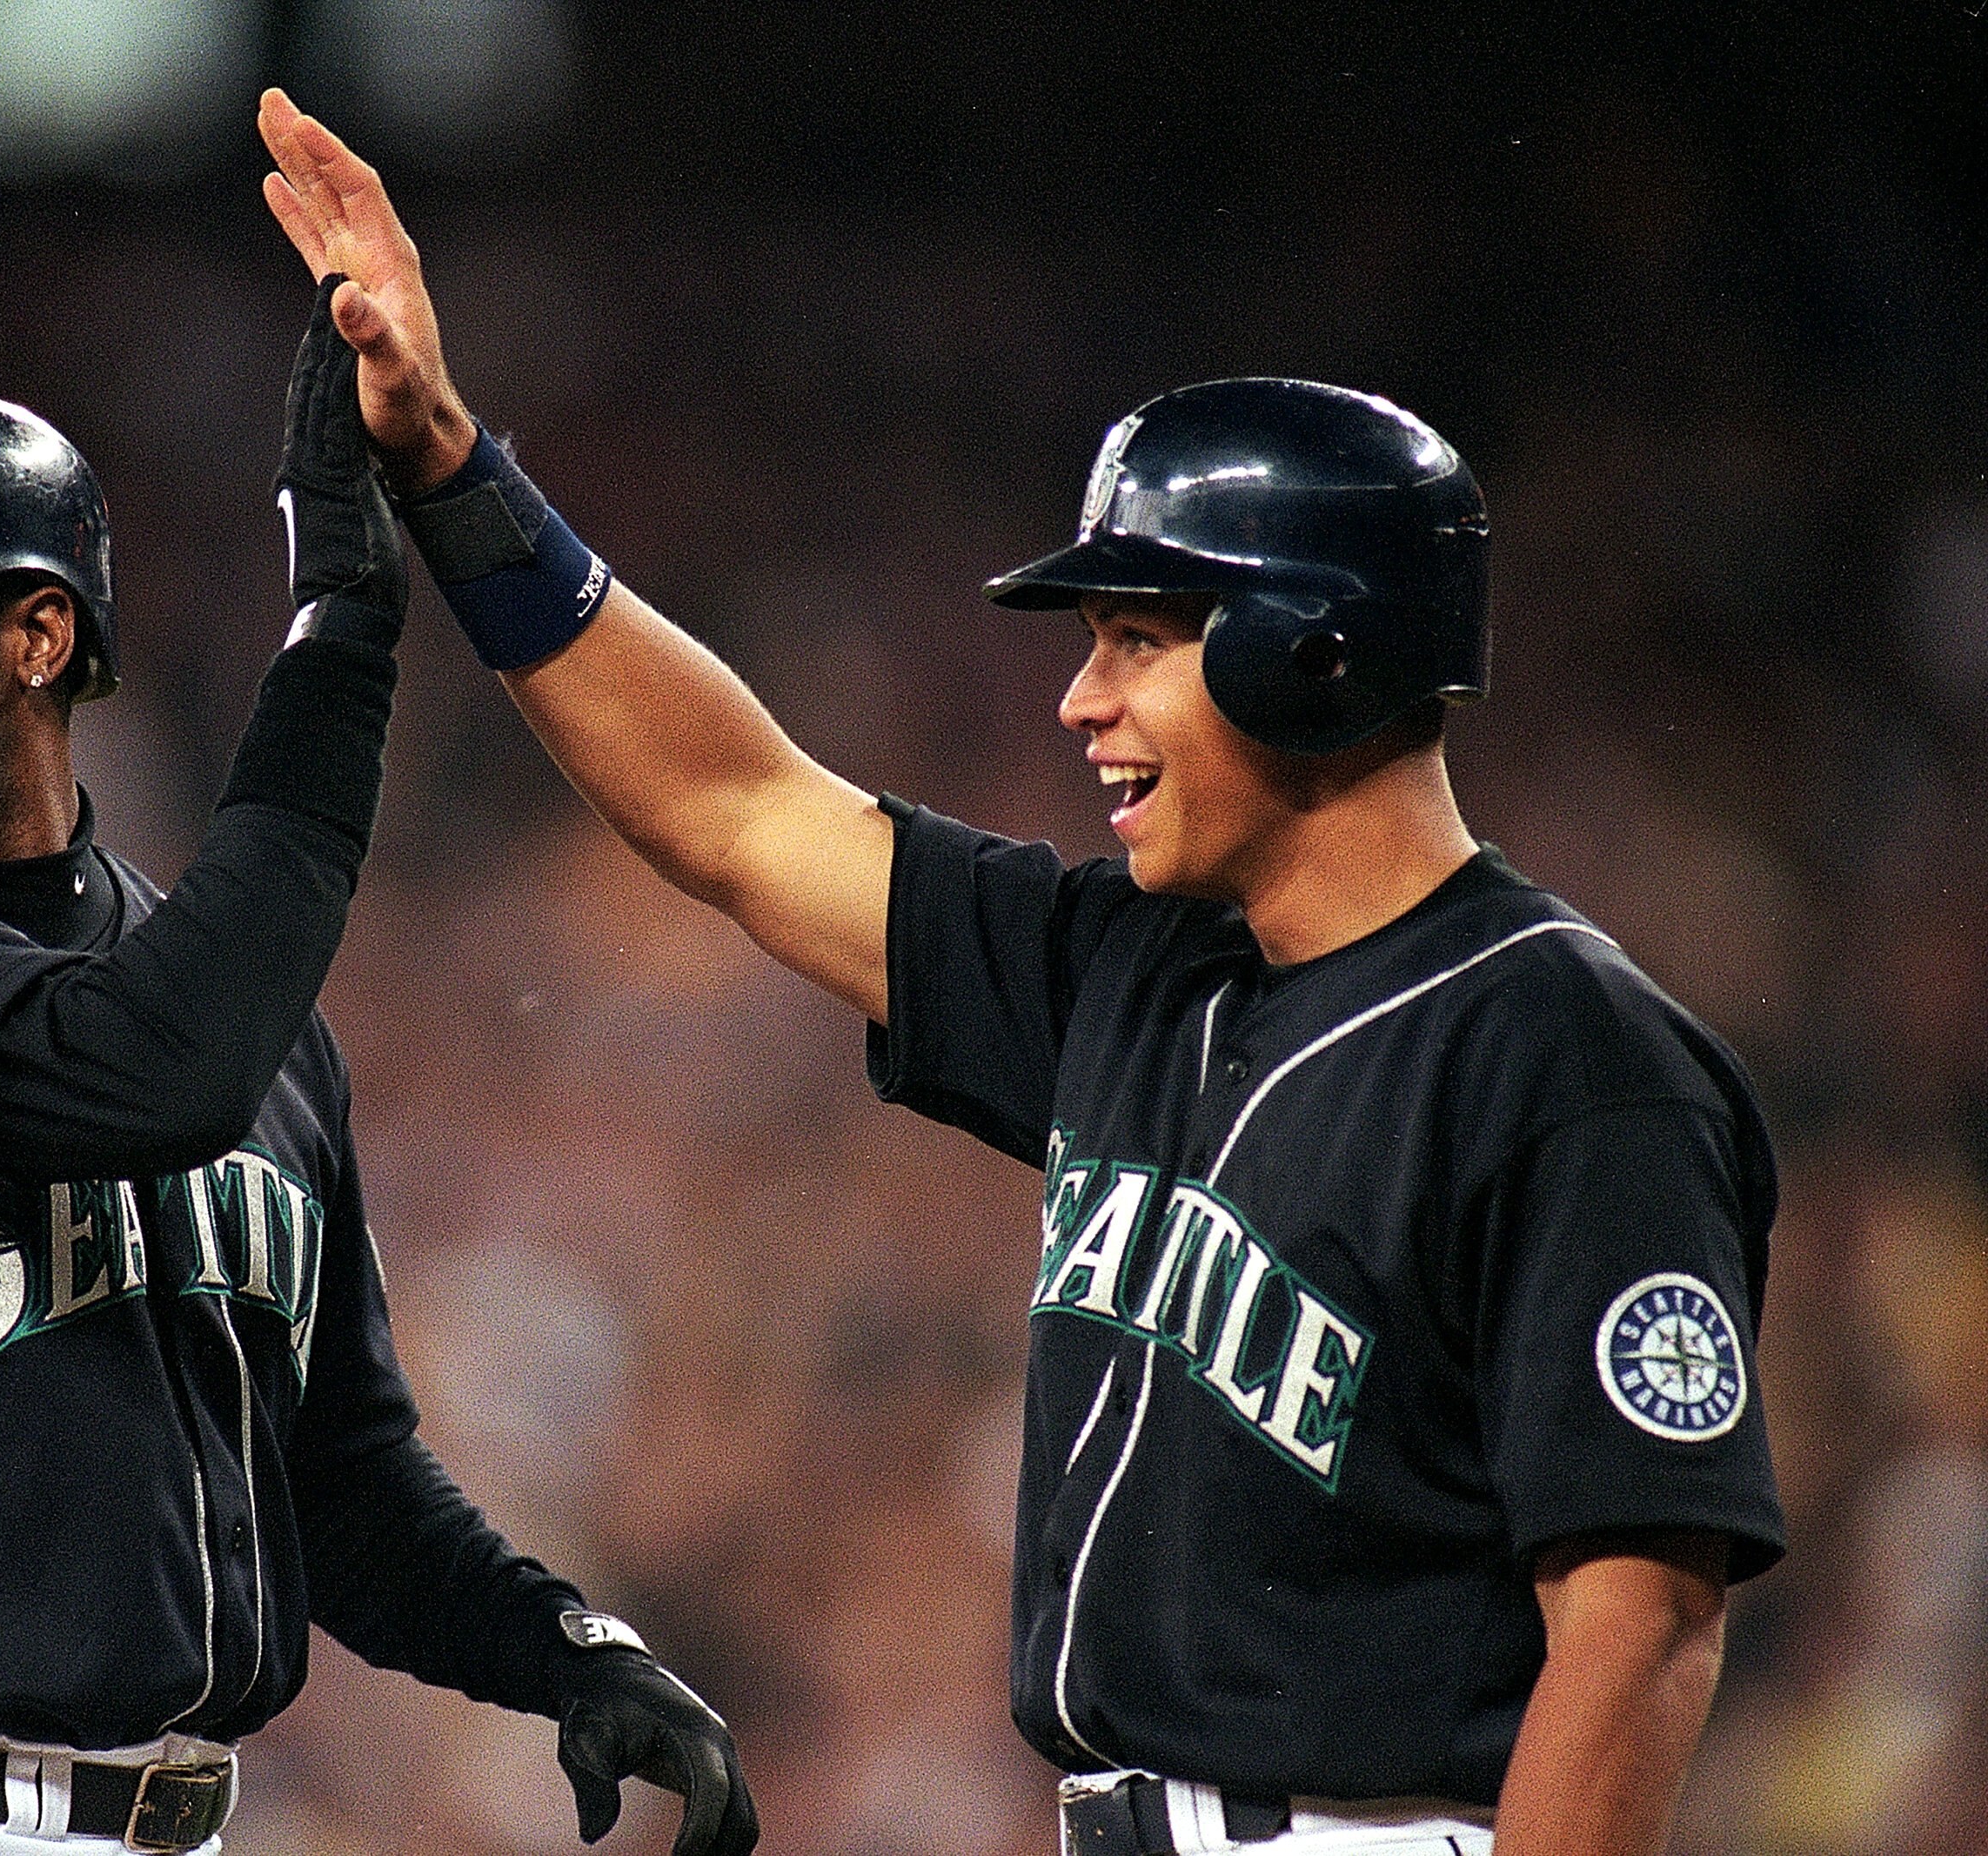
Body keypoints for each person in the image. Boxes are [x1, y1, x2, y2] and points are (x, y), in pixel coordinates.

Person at [256, 89, 1786, 1856]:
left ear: (1310, 652)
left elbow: (1642, 1616)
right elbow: (737, 810)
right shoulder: (1125, 969)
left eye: (1137, 639)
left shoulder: (1567, 1053)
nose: (1081, 702)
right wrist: (448, 457)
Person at [0, 286, 758, 1856]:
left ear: (39, 634)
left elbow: (336, 1478)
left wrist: (560, 1649)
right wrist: (343, 623)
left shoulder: (252, 1030)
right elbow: (146, 1077)